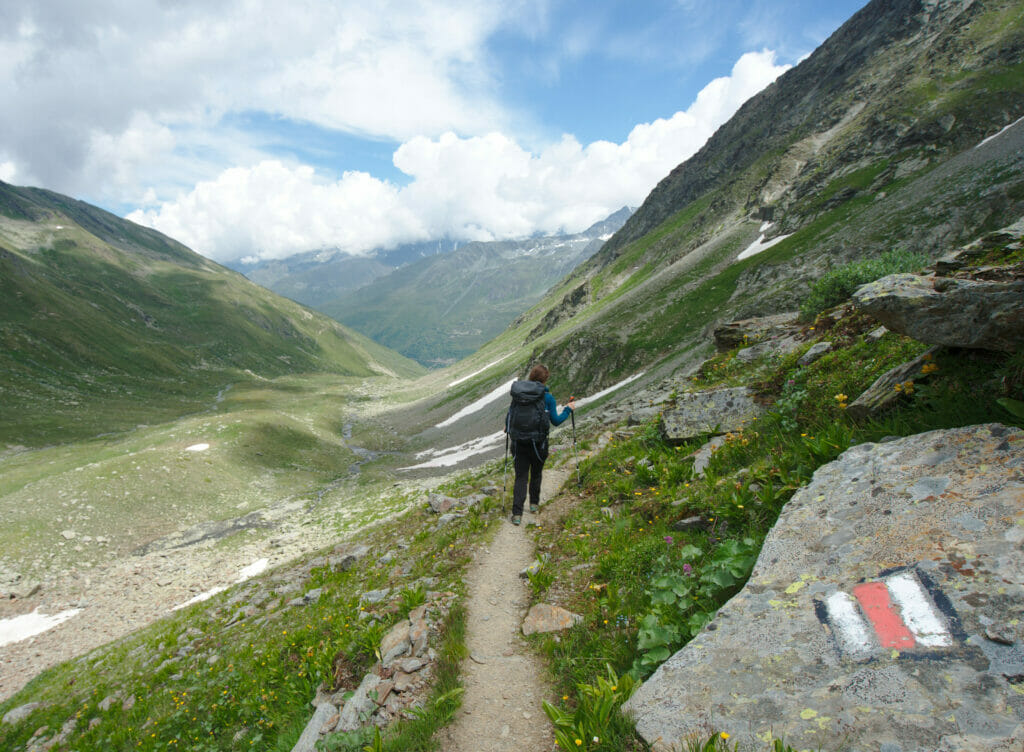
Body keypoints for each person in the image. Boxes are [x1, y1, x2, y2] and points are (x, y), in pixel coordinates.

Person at [506, 364, 574, 525]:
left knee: (521, 477)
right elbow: (556, 421)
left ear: (531, 376)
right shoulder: (547, 398)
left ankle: (517, 514)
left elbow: (509, 417)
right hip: (539, 444)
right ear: (545, 379)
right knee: (536, 473)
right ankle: (534, 505)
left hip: (519, 443)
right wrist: (568, 409)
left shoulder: (518, 395)